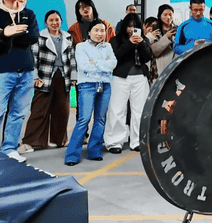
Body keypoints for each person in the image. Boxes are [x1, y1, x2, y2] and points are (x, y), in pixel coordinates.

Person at [19, 10, 77, 152]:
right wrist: (35, 76)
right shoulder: (40, 37)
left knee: (62, 110)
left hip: (63, 77)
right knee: (39, 110)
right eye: (51, 20)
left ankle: (59, 140)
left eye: (57, 20)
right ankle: (32, 142)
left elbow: (72, 59)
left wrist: (74, 77)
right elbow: (34, 58)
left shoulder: (67, 37)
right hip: (44, 77)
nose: (54, 23)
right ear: (46, 22)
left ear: (61, 21)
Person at [65, 19, 117, 166]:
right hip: (86, 85)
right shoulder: (81, 47)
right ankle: (72, 155)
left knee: (100, 119)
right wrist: (103, 63)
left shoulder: (107, 46)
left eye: (102, 31)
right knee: (84, 119)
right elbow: (83, 66)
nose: (99, 34)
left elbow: (113, 64)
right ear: (89, 32)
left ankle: (94, 152)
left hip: (105, 85)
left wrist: (95, 62)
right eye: (96, 30)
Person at [0, 0, 39, 162]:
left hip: (26, 70)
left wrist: (7, 35)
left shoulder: (28, 14)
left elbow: (32, 38)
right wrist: (6, 34)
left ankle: (9, 148)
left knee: (18, 112)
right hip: (3, 71)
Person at [104, 13, 153, 153]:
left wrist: (142, 43)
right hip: (120, 78)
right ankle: (114, 142)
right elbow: (116, 57)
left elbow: (147, 57)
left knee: (139, 111)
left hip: (140, 79)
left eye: (135, 26)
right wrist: (130, 44)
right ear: (124, 26)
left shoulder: (144, 40)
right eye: (129, 26)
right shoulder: (115, 40)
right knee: (117, 110)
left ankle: (137, 141)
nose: (132, 29)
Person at [146, 4, 177, 82]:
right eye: (165, 15)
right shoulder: (156, 31)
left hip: (174, 68)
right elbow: (154, 51)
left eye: (170, 14)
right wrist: (166, 37)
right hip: (159, 70)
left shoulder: (177, 30)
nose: (168, 17)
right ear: (160, 16)